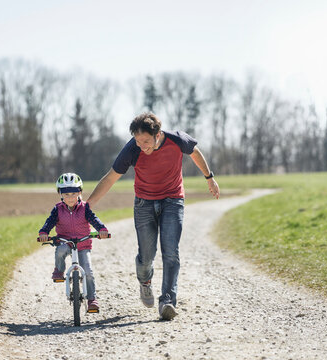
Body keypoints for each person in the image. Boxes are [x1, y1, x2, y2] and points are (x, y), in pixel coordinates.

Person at [86, 112, 220, 320]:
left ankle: (167, 301)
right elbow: (111, 178)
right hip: (144, 203)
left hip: (173, 200)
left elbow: (194, 152)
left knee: (171, 251)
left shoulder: (177, 139)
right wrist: (88, 205)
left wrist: (209, 178)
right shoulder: (132, 149)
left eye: (146, 141)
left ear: (158, 135)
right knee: (146, 255)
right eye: (138, 141)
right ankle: (145, 281)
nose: (142, 146)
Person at [38, 172, 109, 313]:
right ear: (60, 194)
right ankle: (59, 270)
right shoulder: (57, 209)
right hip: (65, 241)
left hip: (83, 244)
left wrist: (102, 229)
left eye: (73, 194)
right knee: (60, 251)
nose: (70, 197)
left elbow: (94, 219)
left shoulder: (85, 208)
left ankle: (92, 299)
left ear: (80, 193)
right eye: (66, 194)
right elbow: (49, 222)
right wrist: (44, 232)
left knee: (88, 271)